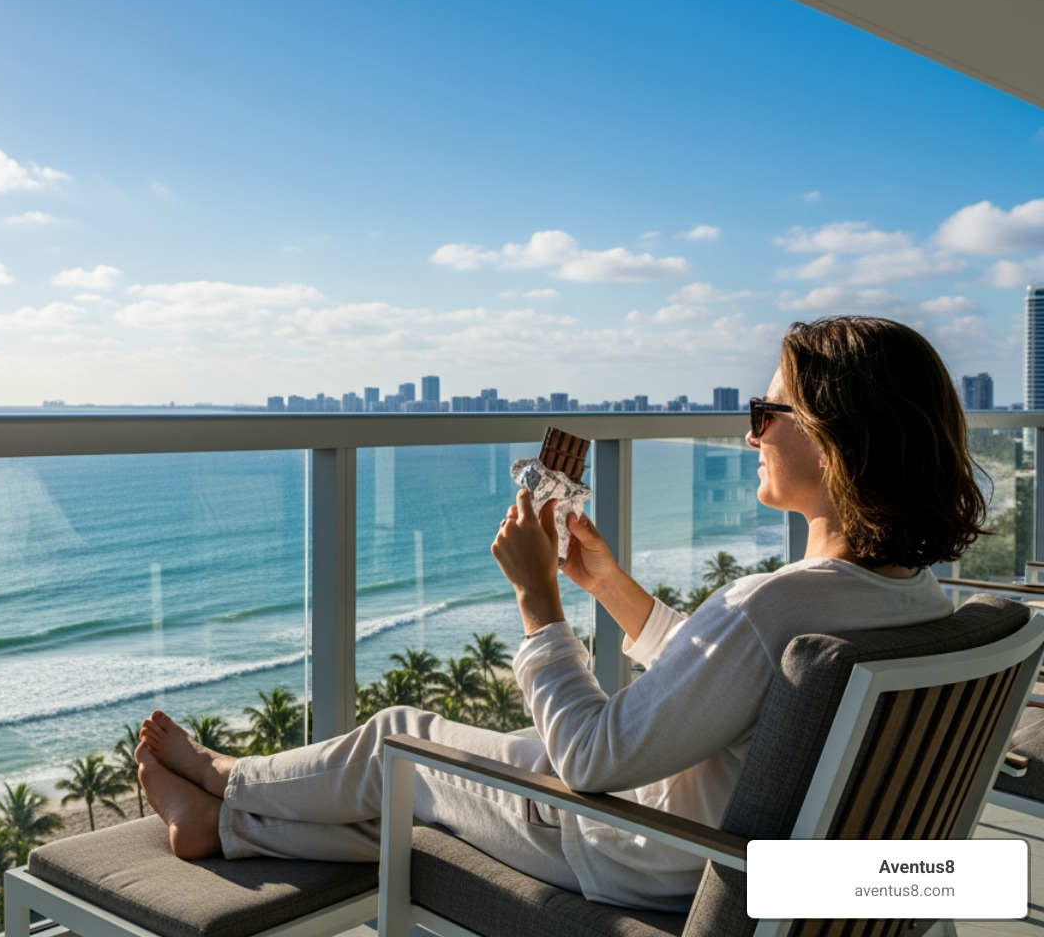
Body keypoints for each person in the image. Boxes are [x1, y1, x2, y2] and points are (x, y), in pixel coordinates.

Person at [135, 316, 986, 912]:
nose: (751, 432)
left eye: (769, 414)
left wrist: (537, 602)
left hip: (642, 851)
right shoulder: (913, 593)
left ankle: (224, 781)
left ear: (841, 437)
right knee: (452, 769)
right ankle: (224, 816)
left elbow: (590, 759)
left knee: (403, 738)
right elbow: (730, 690)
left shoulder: (775, 606)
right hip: (719, 843)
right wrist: (609, 585)